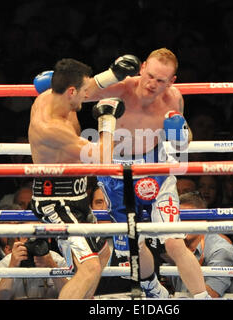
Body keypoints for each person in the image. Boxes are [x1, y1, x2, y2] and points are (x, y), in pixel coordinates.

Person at [86, 48, 208, 298]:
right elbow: (83, 93)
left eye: (161, 80)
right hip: (115, 171)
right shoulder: (121, 86)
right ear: (142, 68)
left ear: (172, 81)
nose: (152, 84)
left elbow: (181, 145)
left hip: (156, 170)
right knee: (134, 244)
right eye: (150, 75)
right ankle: (152, 287)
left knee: (174, 241)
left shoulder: (174, 98)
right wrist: (110, 74)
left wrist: (181, 133)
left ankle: (202, 296)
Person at [29, 56, 139, 299]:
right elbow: (102, 162)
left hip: (76, 196)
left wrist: (114, 74)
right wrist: (107, 120)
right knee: (89, 267)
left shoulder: (56, 97)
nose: (88, 96)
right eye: (82, 93)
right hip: (55, 200)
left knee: (101, 255)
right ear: (70, 91)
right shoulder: (51, 127)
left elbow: (89, 87)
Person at [170, 192, 233, 298]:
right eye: (179, 219)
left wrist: (181, 256)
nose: (183, 225)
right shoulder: (172, 242)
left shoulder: (220, 249)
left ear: (203, 220)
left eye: (188, 219)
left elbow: (212, 294)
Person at [0, 230, 68, 300]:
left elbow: (73, 296)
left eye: (38, 236)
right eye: (27, 237)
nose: (33, 242)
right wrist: (12, 267)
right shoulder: (8, 262)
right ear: (18, 240)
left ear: (48, 239)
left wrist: (52, 266)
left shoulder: (56, 260)